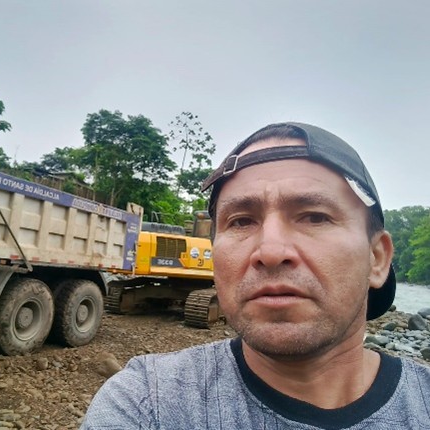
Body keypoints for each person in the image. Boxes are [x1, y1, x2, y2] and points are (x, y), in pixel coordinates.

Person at [81, 122, 430, 429]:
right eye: (241, 221)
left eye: (314, 217)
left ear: (377, 258)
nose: (270, 251)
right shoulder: (146, 402)